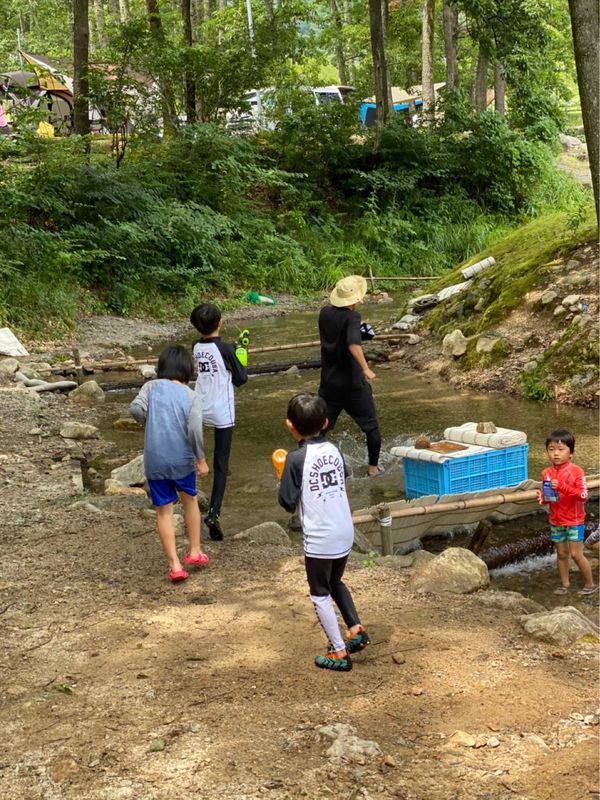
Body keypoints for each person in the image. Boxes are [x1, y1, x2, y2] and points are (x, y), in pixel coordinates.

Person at [278, 392, 370, 672]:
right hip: (344, 530)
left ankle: (339, 652)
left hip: (320, 538)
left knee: (319, 593)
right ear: (326, 423)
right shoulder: (335, 450)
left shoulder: (296, 459)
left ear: (289, 425)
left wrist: (282, 477)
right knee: (335, 582)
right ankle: (355, 629)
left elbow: (287, 503)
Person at [130, 345, 209, 583]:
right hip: (182, 460)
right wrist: (201, 460)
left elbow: (135, 409)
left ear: (161, 368)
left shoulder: (150, 387)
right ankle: (194, 552)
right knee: (190, 500)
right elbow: (194, 430)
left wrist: (148, 420)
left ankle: (174, 565)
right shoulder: (190, 395)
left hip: (155, 460)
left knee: (164, 511)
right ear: (187, 369)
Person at [190, 303, 248, 540]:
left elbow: (212, 361)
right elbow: (241, 379)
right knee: (221, 464)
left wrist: (232, 352)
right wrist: (238, 356)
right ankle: (213, 513)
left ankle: (188, 499)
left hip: (199, 407)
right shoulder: (226, 349)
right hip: (222, 411)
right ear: (220, 323)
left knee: (196, 455)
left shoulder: (195, 347)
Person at [318, 274, 381, 476]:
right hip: (353, 384)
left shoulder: (324, 313)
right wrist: (366, 368)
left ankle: (313, 464)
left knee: (320, 429)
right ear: (356, 299)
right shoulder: (353, 317)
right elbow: (352, 344)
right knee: (371, 428)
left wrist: (359, 332)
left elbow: (337, 337)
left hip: (329, 383)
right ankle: (373, 468)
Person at [537, 429, 596, 596]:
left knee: (577, 554)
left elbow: (583, 495)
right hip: (556, 519)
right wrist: (543, 499)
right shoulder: (546, 473)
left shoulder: (576, 471)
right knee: (561, 554)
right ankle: (565, 585)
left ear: (571, 453)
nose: (556, 453)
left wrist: (562, 486)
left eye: (561, 449)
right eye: (551, 449)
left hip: (574, 520)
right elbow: (550, 497)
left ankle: (590, 584)